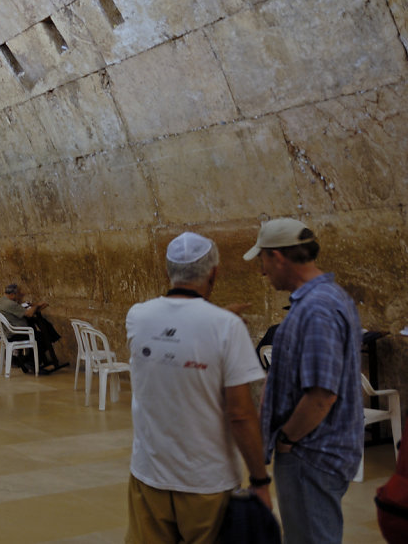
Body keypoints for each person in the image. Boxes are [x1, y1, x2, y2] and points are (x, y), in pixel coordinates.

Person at [125, 232, 271, 543]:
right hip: (206, 482)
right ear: (214, 272)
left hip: (149, 475)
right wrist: (260, 478)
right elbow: (242, 415)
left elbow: (177, 332)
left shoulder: (137, 316)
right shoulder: (226, 327)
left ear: (167, 272)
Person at [244, 218, 362, 544]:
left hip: (311, 454)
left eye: (263, 260)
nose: (262, 271)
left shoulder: (318, 308)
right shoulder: (324, 298)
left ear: (278, 257)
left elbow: (322, 394)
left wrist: (287, 439)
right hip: (315, 451)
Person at [0, 283, 62, 371]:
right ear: (12, 294)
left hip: (7, 333)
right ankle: (32, 362)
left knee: (43, 333)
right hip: (15, 333)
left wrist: (32, 306)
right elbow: (29, 314)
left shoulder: (0, 301)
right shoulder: (10, 304)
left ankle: (31, 359)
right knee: (44, 337)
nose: (21, 295)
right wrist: (36, 306)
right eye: (19, 294)